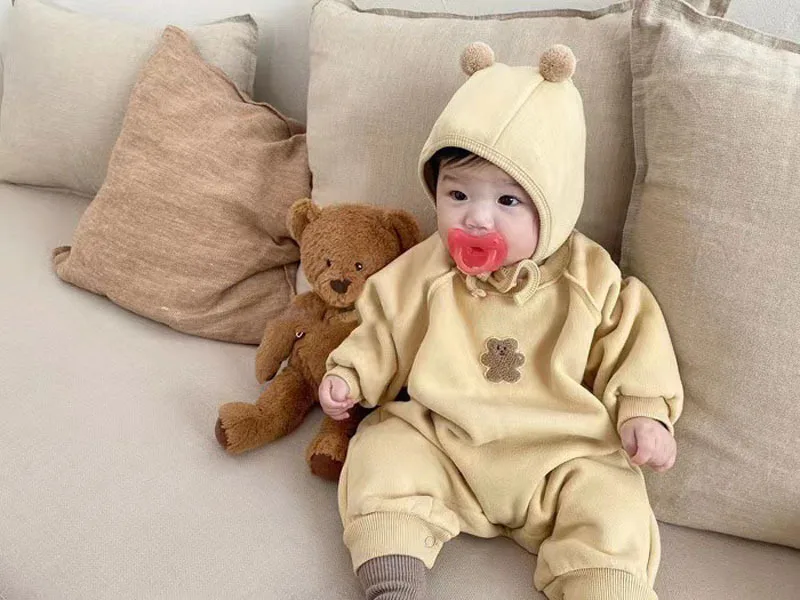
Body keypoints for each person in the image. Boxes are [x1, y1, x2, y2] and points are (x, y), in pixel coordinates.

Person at [318, 42, 683, 600]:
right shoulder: (429, 267)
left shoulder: (590, 276)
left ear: (555, 202)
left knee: (613, 505)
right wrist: (351, 373)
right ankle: (393, 579)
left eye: (508, 202)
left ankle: (601, 587)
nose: (476, 218)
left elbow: (633, 340)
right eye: (457, 194)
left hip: (561, 455)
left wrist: (645, 412)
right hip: (447, 440)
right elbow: (385, 325)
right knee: (383, 450)